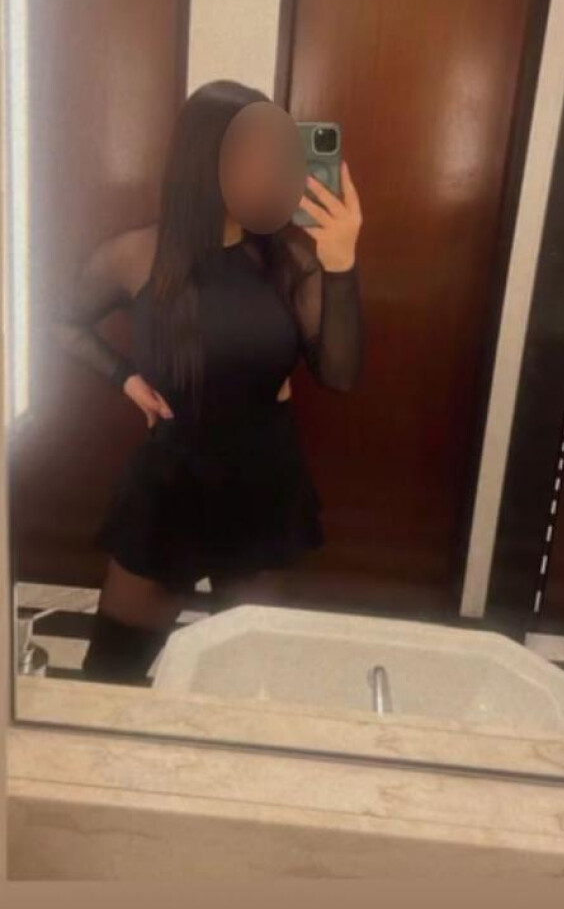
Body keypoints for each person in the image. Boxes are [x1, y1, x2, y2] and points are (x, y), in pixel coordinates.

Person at [56, 80, 363, 685]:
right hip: (170, 484)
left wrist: (341, 262)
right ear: (205, 160)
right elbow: (63, 323)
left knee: (251, 683)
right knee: (111, 676)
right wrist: (124, 377)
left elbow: (340, 374)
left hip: (262, 485)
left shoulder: (292, 261)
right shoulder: (135, 256)